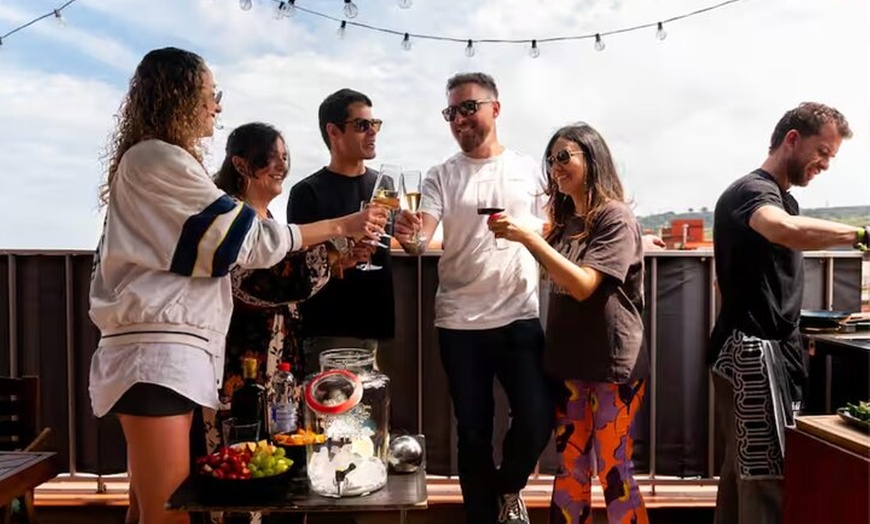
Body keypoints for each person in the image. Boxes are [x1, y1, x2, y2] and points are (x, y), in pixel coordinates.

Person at [88, 48, 387, 524]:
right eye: (212, 95)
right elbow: (251, 244)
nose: (217, 107)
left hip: (162, 357)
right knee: (168, 514)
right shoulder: (157, 159)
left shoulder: (149, 162)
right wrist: (341, 226)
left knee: (147, 507)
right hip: (156, 359)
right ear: (180, 96)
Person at [394, 72, 553, 524]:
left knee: (538, 419)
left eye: (468, 108)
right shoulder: (441, 175)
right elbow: (420, 240)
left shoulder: (527, 171)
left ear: (495, 109)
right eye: (451, 112)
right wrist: (408, 237)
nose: (459, 118)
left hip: (519, 316)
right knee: (474, 434)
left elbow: (556, 227)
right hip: (460, 323)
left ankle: (508, 489)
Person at [708, 102, 865, 524]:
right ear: (792, 139)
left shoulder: (783, 200)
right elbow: (782, 230)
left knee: (742, 476)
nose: (826, 165)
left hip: (766, 350)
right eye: (823, 153)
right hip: (752, 354)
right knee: (764, 481)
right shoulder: (752, 192)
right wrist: (862, 234)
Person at [487, 122, 650, 524]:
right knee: (571, 469)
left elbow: (583, 286)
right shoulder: (566, 222)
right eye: (551, 159)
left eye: (564, 156)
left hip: (612, 366)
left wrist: (529, 239)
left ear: (592, 160)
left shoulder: (614, 217)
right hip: (568, 366)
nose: (555, 166)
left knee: (615, 472)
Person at [286, 88, 395, 377]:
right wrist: (344, 253)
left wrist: (412, 237)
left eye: (375, 124)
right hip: (329, 329)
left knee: (371, 416)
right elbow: (300, 265)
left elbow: (390, 245)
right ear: (333, 131)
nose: (372, 132)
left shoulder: (383, 185)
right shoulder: (307, 192)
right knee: (329, 416)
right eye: (362, 125)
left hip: (378, 327)